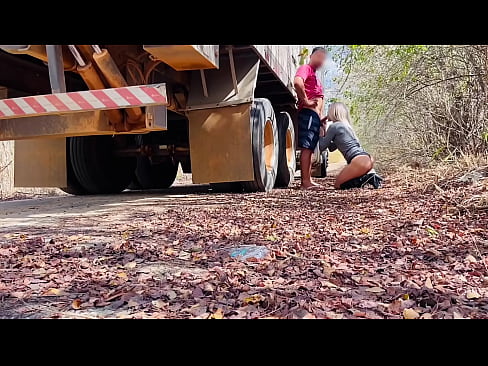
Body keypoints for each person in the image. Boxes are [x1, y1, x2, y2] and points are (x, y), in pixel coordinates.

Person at [319, 102, 381, 189]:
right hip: (366, 158)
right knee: (344, 183)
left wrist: (320, 132)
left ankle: (368, 178)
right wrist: (325, 131)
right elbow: (332, 148)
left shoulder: (334, 126)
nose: (327, 114)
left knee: (338, 186)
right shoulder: (346, 126)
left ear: (333, 112)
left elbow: (321, 147)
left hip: (358, 161)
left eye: (328, 111)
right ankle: (369, 176)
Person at [294, 47, 327, 190]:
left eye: (323, 58)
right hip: (307, 113)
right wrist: (306, 101)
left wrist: (320, 119)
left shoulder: (315, 76)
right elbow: (297, 82)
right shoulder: (305, 68)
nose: (321, 60)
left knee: (311, 148)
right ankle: (305, 182)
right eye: (318, 56)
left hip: (314, 116)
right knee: (306, 148)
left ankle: (309, 180)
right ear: (311, 56)